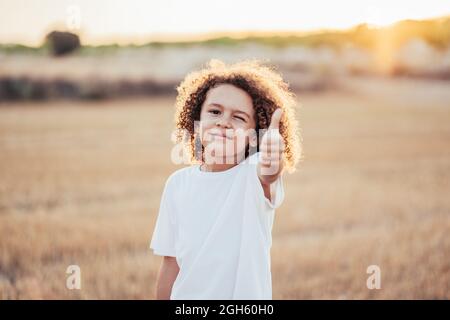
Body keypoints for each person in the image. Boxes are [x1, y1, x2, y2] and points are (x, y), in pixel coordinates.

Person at [150, 59, 301, 299]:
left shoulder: (253, 174)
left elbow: (269, 171)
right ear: (196, 121)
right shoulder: (177, 184)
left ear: (254, 136)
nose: (223, 122)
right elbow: (170, 264)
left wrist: (273, 152)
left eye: (239, 118)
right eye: (215, 111)